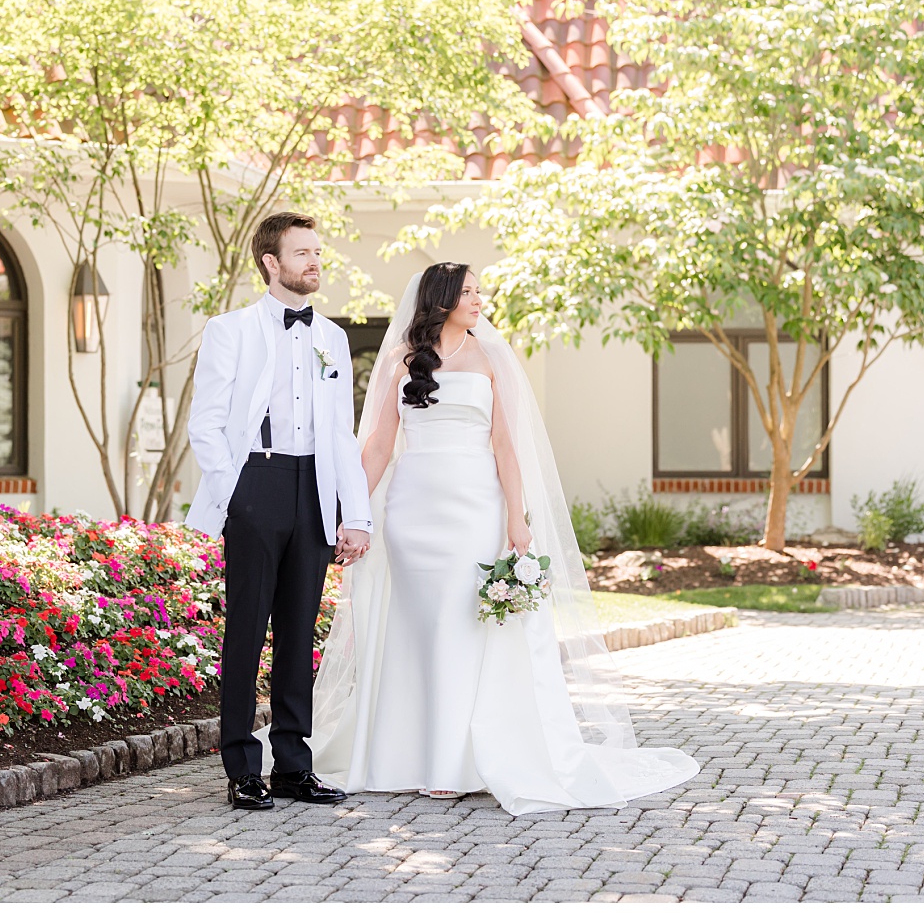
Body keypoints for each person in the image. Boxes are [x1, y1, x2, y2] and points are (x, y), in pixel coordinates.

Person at [307, 263, 700, 814]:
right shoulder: (400, 359)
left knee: (459, 625)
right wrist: (353, 516)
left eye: (477, 291)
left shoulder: (491, 358)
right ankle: (402, 755)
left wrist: (517, 520)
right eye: (467, 292)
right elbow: (376, 446)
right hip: (411, 510)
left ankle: (452, 762)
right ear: (440, 300)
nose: (478, 299)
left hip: (475, 510)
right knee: (415, 628)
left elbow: (507, 449)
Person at [185, 211, 373, 811]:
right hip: (255, 480)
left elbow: (341, 434)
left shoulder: (334, 338)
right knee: (246, 630)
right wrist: (234, 490)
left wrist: (356, 513)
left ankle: (294, 764)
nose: (315, 263)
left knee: (298, 633)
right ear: (271, 262)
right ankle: (242, 767)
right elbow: (206, 424)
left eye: (318, 253)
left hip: (313, 483)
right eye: (302, 254)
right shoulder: (229, 330)